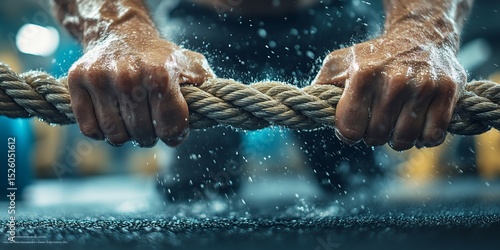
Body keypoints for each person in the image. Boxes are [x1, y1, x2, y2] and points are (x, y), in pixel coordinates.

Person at [51, 0, 472, 199]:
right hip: (203, 21)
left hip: (330, 16)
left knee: (353, 178)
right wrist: (118, 30)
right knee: (195, 191)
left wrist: (420, 33)